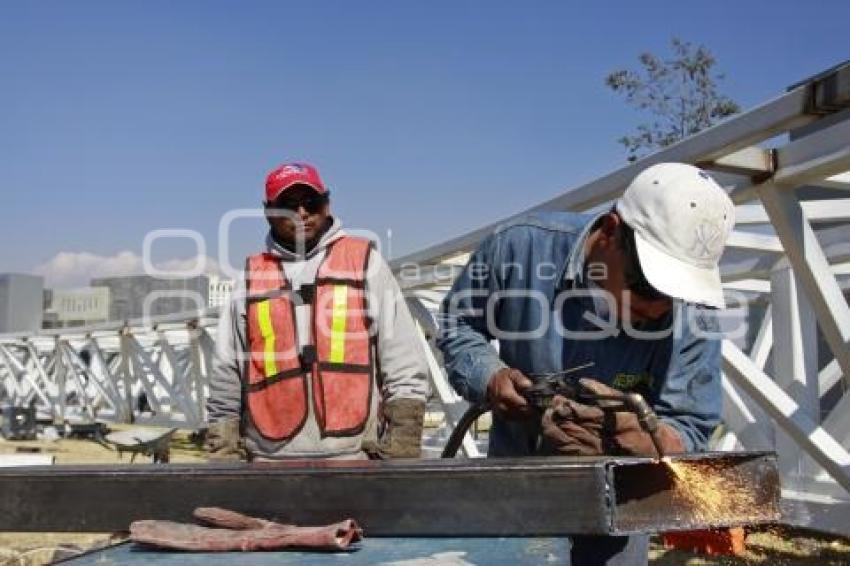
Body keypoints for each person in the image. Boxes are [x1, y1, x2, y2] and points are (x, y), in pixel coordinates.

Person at [437, 162, 735, 564]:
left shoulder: (696, 313)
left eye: (673, 295)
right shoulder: (521, 248)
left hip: (617, 513)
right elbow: (460, 323)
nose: (656, 307)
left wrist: (644, 440)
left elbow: (692, 423)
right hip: (514, 493)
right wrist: (490, 376)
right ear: (611, 232)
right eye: (646, 286)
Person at [206, 162, 430, 461]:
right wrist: (224, 450)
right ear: (267, 211)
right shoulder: (249, 278)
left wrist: (403, 443)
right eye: (288, 205)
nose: (301, 213)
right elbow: (227, 370)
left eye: (311, 202)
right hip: (267, 462)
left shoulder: (365, 263)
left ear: (327, 203)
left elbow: (402, 358)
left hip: (353, 460)